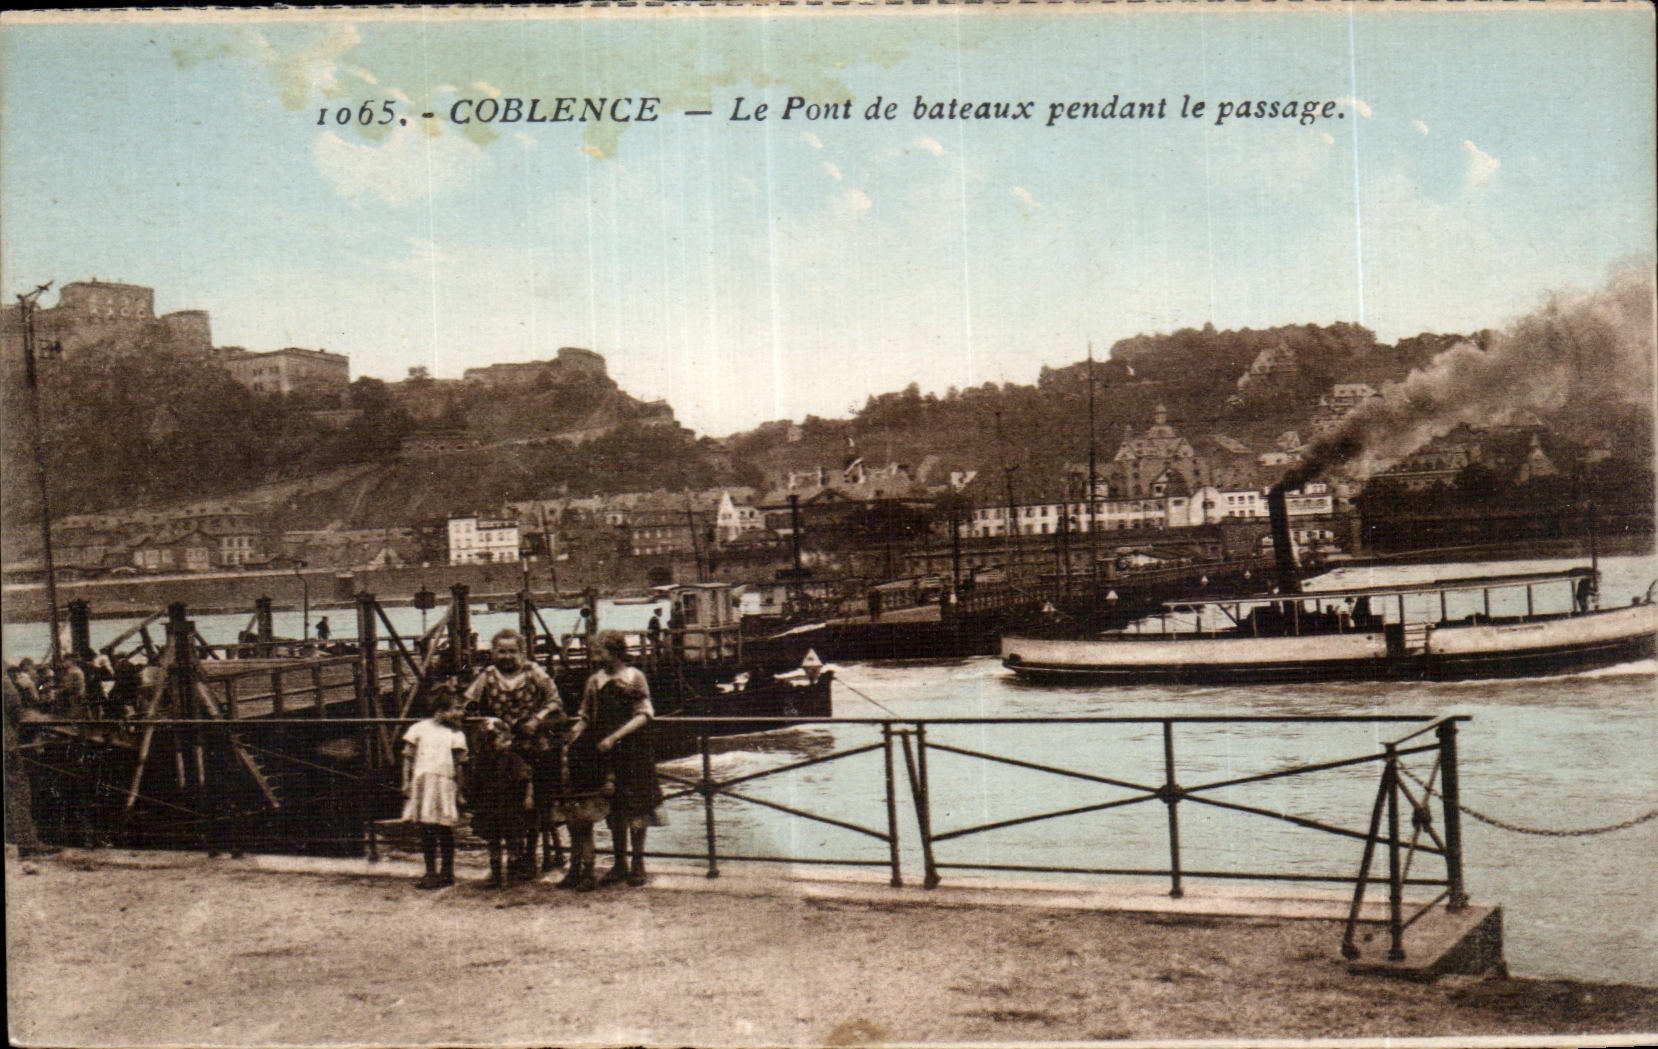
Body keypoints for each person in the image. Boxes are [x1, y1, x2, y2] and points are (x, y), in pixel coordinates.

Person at [464, 629, 564, 879]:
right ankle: (506, 859)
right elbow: (468, 704)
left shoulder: (534, 672)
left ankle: (529, 858)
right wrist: (487, 722)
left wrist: (537, 719)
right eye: (501, 651)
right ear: (493, 652)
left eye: (512, 651)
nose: (507, 656)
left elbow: (555, 701)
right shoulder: (487, 675)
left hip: (531, 743)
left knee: (533, 803)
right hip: (500, 749)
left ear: (521, 652)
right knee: (500, 803)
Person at [571, 630, 662, 887]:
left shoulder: (635, 677)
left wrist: (615, 737)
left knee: (637, 807)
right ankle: (619, 862)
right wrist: (576, 731)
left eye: (600, 652)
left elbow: (644, 714)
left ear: (616, 652)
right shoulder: (594, 681)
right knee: (615, 809)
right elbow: (586, 714)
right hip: (605, 752)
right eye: (594, 652)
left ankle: (638, 863)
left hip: (633, 750)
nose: (596, 657)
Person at [400, 687, 468, 890]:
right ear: (441, 709)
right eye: (456, 708)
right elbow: (408, 757)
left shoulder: (456, 733)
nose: (460, 713)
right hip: (423, 782)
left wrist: (460, 791)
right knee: (426, 828)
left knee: (444, 828)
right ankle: (430, 872)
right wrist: (406, 781)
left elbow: (459, 765)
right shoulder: (418, 729)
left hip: (444, 783)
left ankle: (447, 871)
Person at [468, 718, 534, 889]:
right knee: (492, 840)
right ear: (490, 742)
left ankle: (512, 874)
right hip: (490, 804)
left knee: (513, 839)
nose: (508, 744)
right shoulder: (482, 760)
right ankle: (495, 875)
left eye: (509, 740)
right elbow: (476, 783)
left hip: (509, 804)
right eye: (503, 740)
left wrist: (528, 797)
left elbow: (527, 779)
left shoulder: (514, 759)